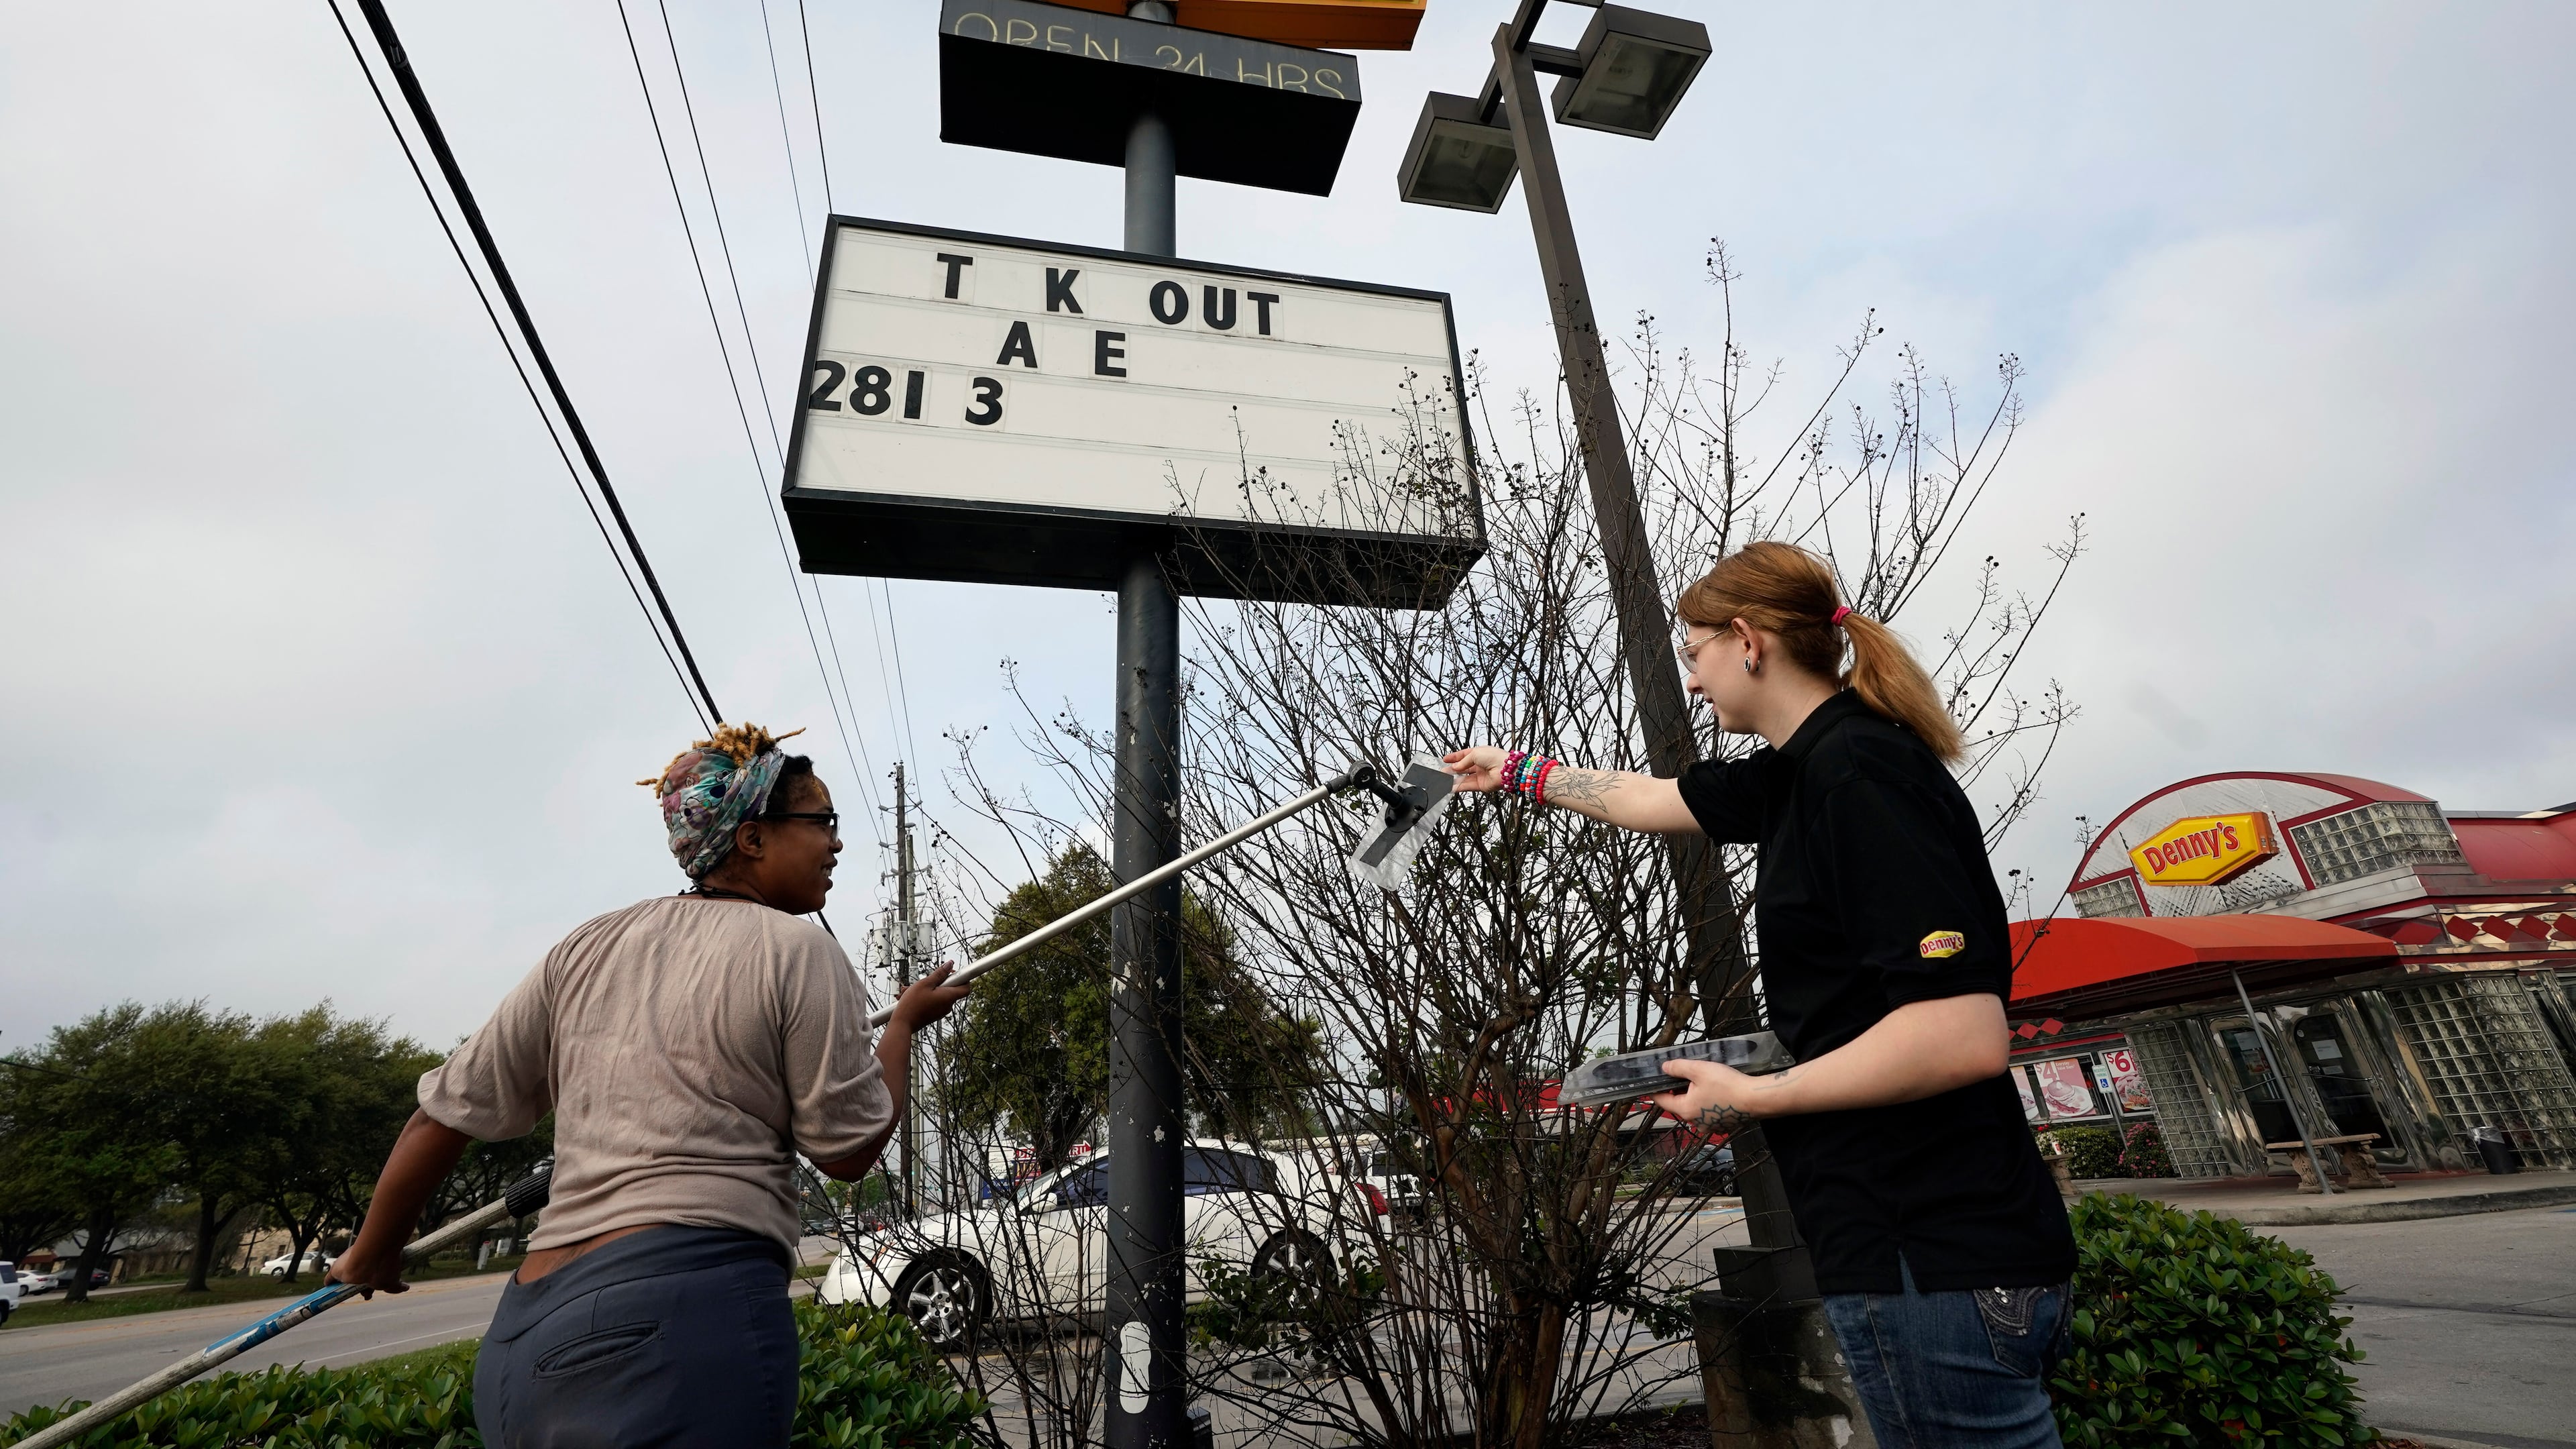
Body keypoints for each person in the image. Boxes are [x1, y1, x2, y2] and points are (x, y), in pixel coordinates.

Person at [1444, 541, 2075, 1448]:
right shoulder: (1802, 770)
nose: (1692, 683)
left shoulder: (1858, 774)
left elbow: (1961, 1032)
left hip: (1929, 1252)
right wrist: (1514, 773)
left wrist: (1751, 1096)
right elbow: (1651, 799)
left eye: (1693, 652)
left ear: (1747, 640)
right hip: (1918, 1252)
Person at [329, 723, 967, 1449]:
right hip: (679, 1325)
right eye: (822, 821)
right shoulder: (799, 950)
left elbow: (440, 1118)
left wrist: (372, 1251)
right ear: (752, 838)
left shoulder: (587, 946)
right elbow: (848, 1150)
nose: (837, 843)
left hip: (522, 1343)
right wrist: (902, 1028)